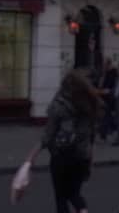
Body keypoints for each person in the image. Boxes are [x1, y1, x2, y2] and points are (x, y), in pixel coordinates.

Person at [25, 70, 101, 213]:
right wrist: (90, 161)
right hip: (82, 157)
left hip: (62, 157)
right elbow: (91, 137)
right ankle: (83, 210)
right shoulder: (88, 106)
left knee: (60, 197)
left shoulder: (59, 105)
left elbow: (47, 136)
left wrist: (30, 158)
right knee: (74, 193)